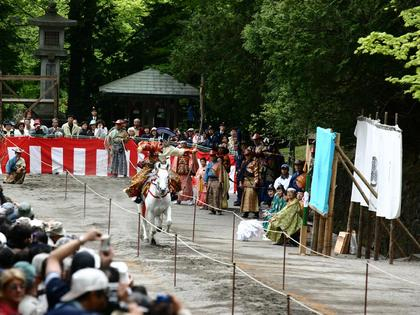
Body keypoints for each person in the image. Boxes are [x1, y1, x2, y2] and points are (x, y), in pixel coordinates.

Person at [239, 149, 260, 219]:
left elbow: (256, 173)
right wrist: (240, 182)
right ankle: (246, 212)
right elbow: (241, 174)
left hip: (252, 181)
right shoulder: (243, 162)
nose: (246, 156)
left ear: (251, 155)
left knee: (252, 196)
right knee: (245, 197)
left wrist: (255, 183)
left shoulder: (254, 162)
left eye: (248, 155)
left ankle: (255, 212)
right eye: (245, 155)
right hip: (245, 181)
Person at [204, 150, 223, 215]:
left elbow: (220, 173)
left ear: (215, 156)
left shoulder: (219, 164)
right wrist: (205, 180)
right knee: (210, 195)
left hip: (216, 180)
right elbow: (206, 172)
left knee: (216, 195)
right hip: (210, 180)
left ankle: (218, 209)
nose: (212, 157)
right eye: (211, 156)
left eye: (213, 156)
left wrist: (220, 181)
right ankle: (212, 209)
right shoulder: (209, 163)